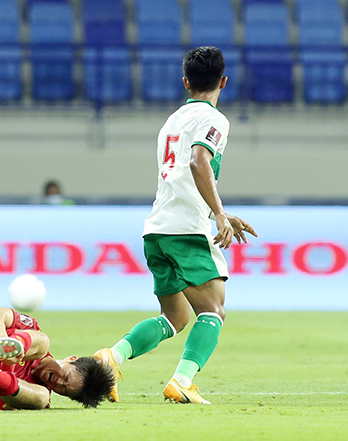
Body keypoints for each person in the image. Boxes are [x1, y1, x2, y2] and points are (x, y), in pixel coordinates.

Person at [93, 46, 258, 405]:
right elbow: (199, 162)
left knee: (175, 316)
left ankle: (111, 358)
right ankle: (182, 381)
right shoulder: (215, 119)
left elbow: (180, 177)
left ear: (185, 82)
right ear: (223, 82)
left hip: (157, 229)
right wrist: (218, 213)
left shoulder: (171, 122)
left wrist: (218, 212)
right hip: (186, 230)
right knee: (212, 311)